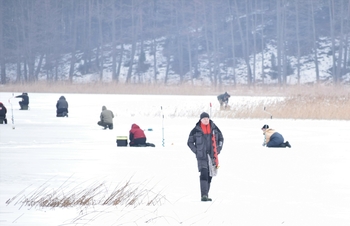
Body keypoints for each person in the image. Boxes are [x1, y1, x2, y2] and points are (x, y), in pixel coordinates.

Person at [187, 112, 224, 202]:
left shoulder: (214, 128)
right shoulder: (195, 130)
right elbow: (189, 142)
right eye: (204, 119)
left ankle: (206, 194)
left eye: (207, 118)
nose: (206, 120)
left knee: (210, 175)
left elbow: (221, 139)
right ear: (201, 120)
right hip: (201, 156)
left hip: (212, 156)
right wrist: (196, 151)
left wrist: (218, 149)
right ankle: (203, 195)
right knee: (204, 173)